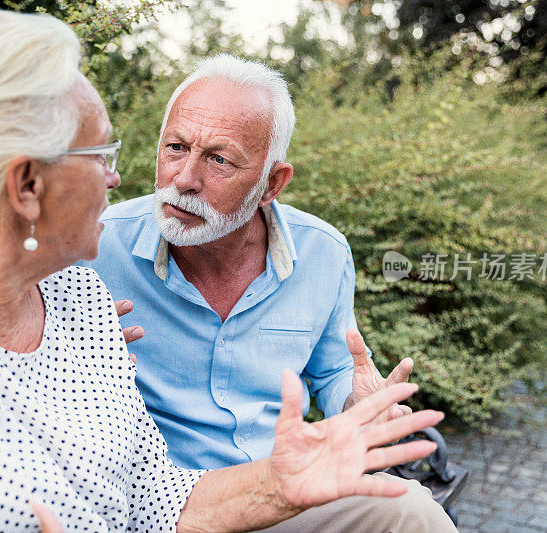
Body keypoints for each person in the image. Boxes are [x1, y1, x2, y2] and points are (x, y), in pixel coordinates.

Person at [0, 10, 444, 533]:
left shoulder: (77, 295)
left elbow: (156, 499)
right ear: (27, 185)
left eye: (218, 159)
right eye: (101, 153)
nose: (119, 178)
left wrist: (282, 482)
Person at [82, 54, 458, 530]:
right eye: (176, 147)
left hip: (283, 484)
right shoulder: (93, 246)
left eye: (219, 159)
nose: (184, 180)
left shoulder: (323, 252)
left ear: (272, 183)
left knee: (414, 512)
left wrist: (356, 405)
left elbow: (337, 367)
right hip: (159, 502)